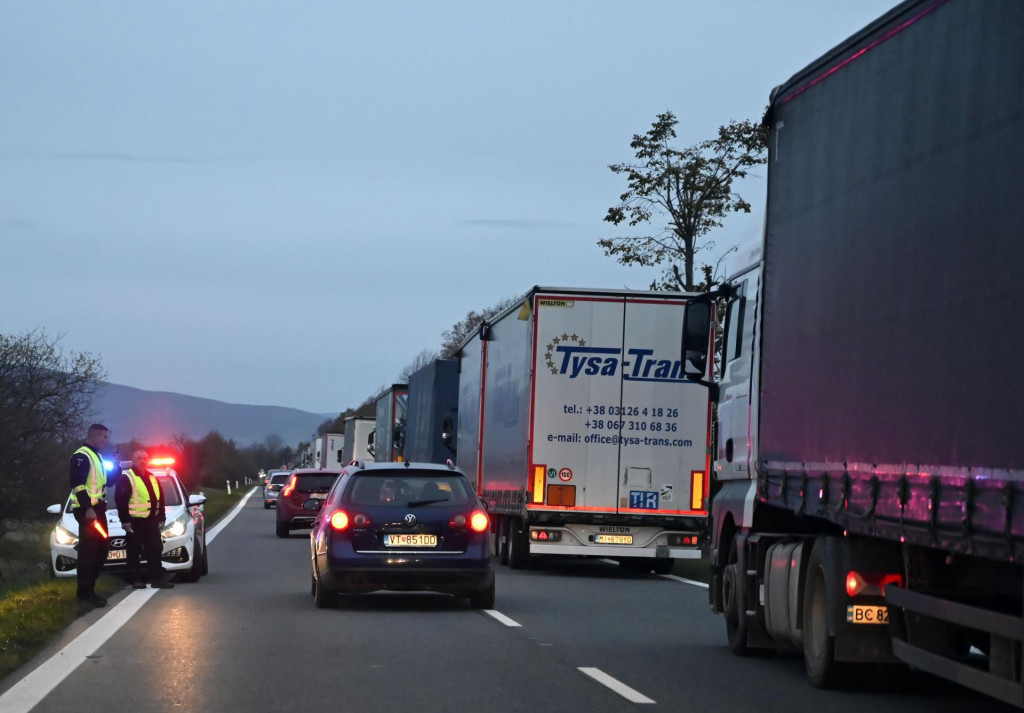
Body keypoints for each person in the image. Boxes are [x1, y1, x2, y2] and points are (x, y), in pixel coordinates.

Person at [115, 450, 174, 590]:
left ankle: (157, 578)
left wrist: (162, 516)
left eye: (145, 458)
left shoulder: (152, 477)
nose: (142, 461)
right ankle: (136, 579)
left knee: (155, 549)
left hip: (151, 521)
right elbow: (121, 500)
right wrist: (125, 521)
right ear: (133, 460)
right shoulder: (127, 478)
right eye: (139, 458)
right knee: (134, 551)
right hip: (135, 521)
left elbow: (160, 499)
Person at [69, 423, 112, 607]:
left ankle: (89, 589)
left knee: (102, 549)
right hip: (87, 511)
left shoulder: (98, 457)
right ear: (95, 436)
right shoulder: (81, 456)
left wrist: (117, 466)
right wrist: (87, 508)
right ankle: (85, 593)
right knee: (90, 551)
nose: (106, 440)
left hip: (98, 509)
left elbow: (107, 482)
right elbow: (77, 484)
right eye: (104, 437)